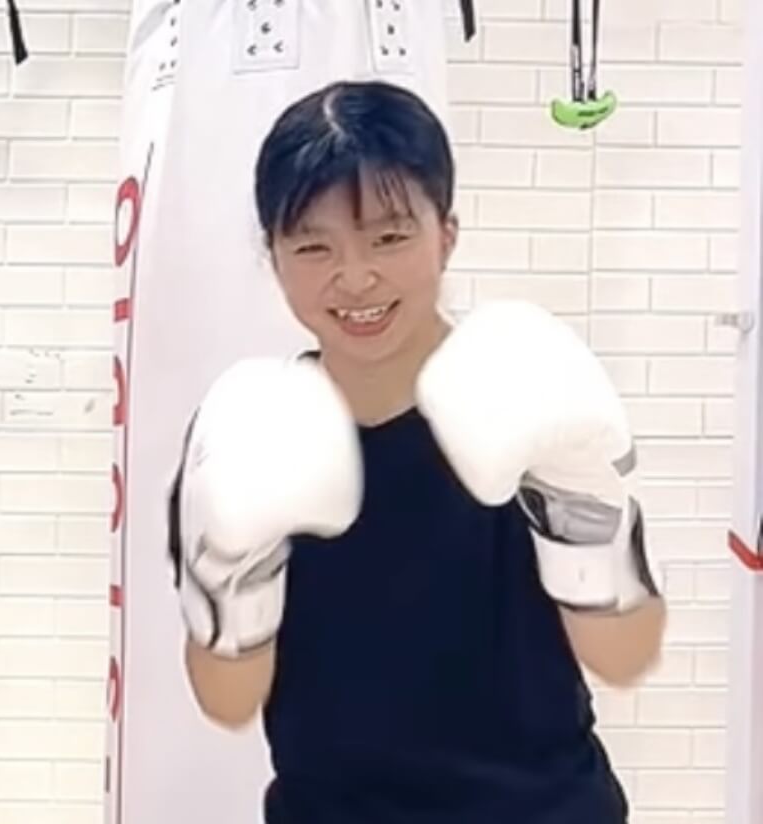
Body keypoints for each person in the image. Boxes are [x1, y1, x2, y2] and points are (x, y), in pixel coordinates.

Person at [167, 79, 666, 823]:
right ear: (273, 255)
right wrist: (228, 579)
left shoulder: (523, 389)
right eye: (313, 246)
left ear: (446, 234)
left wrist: (584, 505)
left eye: (389, 237)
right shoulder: (250, 428)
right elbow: (228, 700)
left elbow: (624, 655)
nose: (355, 276)